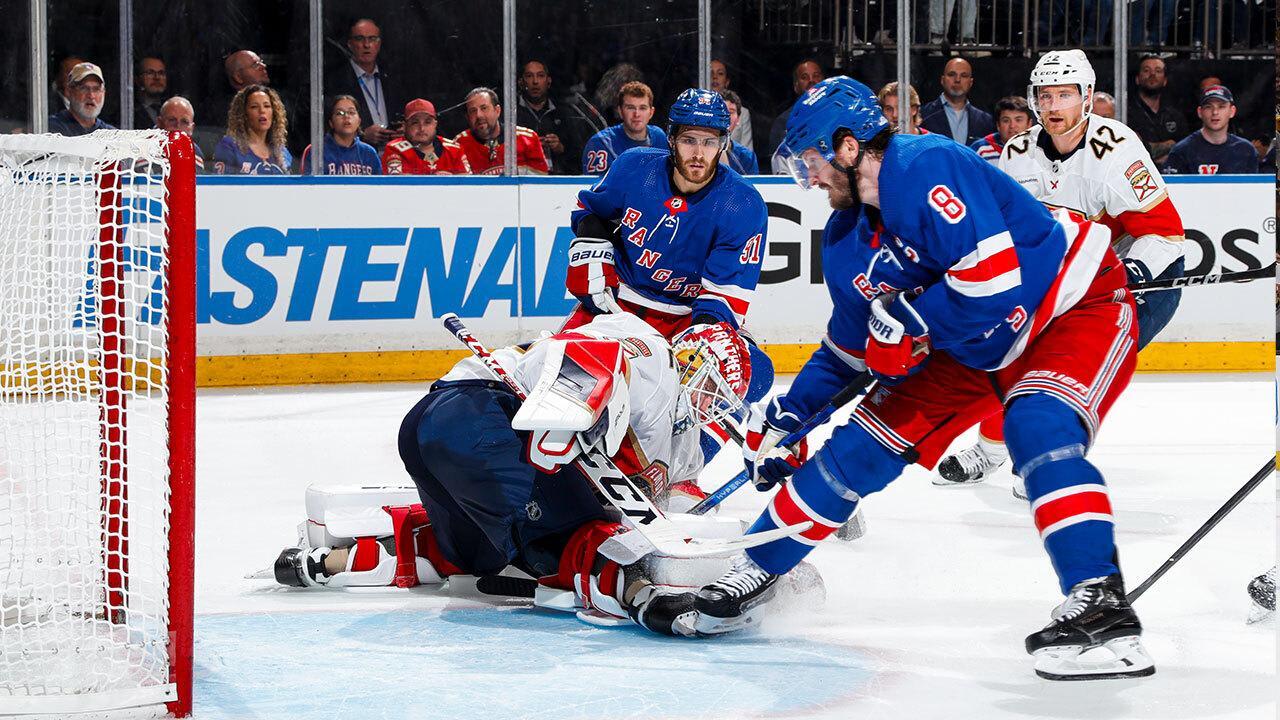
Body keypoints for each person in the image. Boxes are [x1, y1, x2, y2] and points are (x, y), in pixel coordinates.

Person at [697, 75, 1154, 682]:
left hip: (1068, 306)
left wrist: (908, 319)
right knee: (857, 451)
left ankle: (1100, 602)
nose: (808, 182)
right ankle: (756, 567)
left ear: (848, 145)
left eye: (810, 163)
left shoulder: (925, 162)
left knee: (1035, 421)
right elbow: (848, 350)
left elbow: (990, 284)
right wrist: (789, 417)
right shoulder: (844, 237)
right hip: (970, 345)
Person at [274, 315, 754, 637]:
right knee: (577, 535)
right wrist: (565, 415)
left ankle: (330, 562)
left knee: (475, 558)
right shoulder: (652, 350)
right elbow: (584, 352)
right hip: (485, 417)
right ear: (693, 363)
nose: (713, 404)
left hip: (434, 429)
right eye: (716, 388)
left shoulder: (675, 431)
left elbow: (670, 504)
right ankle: (650, 601)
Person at [937, 50, 1184, 490]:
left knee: (1072, 368)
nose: (1053, 107)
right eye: (1045, 96)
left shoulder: (1118, 149)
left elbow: (1164, 235)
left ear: (1087, 97)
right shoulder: (1017, 151)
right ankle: (993, 450)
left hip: (1136, 278)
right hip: (1065, 276)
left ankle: (1049, 457)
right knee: (1005, 347)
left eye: (1065, 95)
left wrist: (1132, 273)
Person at [564, 88, 774, 462]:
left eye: (709, 142)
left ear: (723, 144)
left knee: (752, 371)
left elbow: (721, 301)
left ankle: (680, 466)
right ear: (671, 139)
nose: (698, 153)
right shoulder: (634, 168)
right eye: (689, 140)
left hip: (685, 320)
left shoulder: (741, 204)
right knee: (564, 380)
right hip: (617, 308)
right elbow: (591, 212)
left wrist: (701, 347)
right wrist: (593, 253)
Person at [324, 18, 405, 150]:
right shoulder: (335, 81)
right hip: (355, 156)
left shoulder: (393, 77)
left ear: (379, 44)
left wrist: (404, 130)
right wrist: (361, 135)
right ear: (350, 44)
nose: (367, 45)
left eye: (372, 39)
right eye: (360, 39)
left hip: (394, 153)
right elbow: (327, 126)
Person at [516, 60, 592, 175]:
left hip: (557, 180)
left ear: (548, 82)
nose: (535, 81)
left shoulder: (565, 113)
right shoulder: (512, 114)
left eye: (540, 76)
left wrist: (561, 148)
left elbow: (581, 156)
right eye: (529, 76)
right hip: (521, 181)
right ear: (521, 82)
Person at [1163, 86, 1261, 175]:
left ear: (1232, 111)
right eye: (1208, 107)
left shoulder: (1246, 151)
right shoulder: (1182, 151)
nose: (1215, 112)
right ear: (1200, 112)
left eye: (1221, 106)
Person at [453, 87, 549, 175]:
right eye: (473, 111)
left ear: (497, 111)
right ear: (467, 117)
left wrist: (520, 171)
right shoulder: (459, 144)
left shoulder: (527, 139)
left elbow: (543, 181)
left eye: (484, 108)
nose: (479, 115)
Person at [581, 81, 667, 176]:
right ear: (620, 111)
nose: (637, 114)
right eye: (630, 108)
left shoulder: (659, 137)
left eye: (642, 108)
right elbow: (595, 187)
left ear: (651, 112)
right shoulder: (602, 143)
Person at [213, 84, 293, 175]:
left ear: (274, 113)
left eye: (267, 106)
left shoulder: (282, 152)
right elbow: (223, 185)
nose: (262, 111)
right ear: (244, 114)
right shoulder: (229, 147)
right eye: (254, 107)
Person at [381, 98, 471, 175]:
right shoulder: (394, 150)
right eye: (415, 123)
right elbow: (397, 188)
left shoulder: (454, 150)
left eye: (427, 122)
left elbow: (468, 187)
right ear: (405, 126)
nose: (422, 128)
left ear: (435, 124)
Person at [1127, 55, 1188, 167]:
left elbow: (1185, 148)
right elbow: (1132, 150)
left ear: (1165, 80)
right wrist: (1171, 144)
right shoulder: (1126, 113)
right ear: (1137, 79)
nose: (1152, 75)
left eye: (1158, 71)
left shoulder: (1174, 114)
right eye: (1146, 70)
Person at [920, 57, 995, 145]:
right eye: (952, 74)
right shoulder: (923, 115)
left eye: (964, 76)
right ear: (942, 80)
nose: (957, 80)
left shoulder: (986, 121)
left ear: (971, 83)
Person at [300, 95, 381, 175]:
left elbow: (381, 185)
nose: (346, 117)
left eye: (351, 112)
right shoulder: (316, 151)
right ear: (331, 123)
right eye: (340, 113)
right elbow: (307, 185)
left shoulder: (369, 153)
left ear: (359, 122)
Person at [768, 60, 825, 171]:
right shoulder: (783, 122)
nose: (811, 80)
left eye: (816, 76)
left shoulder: (838, 115)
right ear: (796, 86)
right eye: (804, 77)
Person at [49, 62, 115, 136]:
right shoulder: (52, 129)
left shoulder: (111, 134)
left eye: (96, 89)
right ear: (69, 92)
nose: (91, 95)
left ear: (104, 93)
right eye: (84, 88)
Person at [969, 96, 1033, 164]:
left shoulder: (1038, 148)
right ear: (998, 125)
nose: (1012, 126)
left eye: (1018, 120)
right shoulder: (980, 149)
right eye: (1006, 121)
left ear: (1029, 124)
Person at [711, 59, 753, 149]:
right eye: (710, 72)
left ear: (727, 82)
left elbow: (747, 153)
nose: (714, 77)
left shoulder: (743, 113)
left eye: (720, 73)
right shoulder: (695, 110)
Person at [156, 96, 205, 172]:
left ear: (191, 128)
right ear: (159, 123)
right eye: (172, 120)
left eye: (184, 122)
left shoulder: (196, 153)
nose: (178, 126)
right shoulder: (144, 152)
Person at [720, 90, 759, 174]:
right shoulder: (699, 151)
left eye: (730, 112)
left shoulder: (748, 157)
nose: (726, 116)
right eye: (721, 110)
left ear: (738, 119)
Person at [134, 56, 168, 130]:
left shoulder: (173, 108)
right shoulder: (128, 111)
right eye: (150, 73)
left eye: (161, 73)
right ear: (137, 79)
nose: (157, 77)